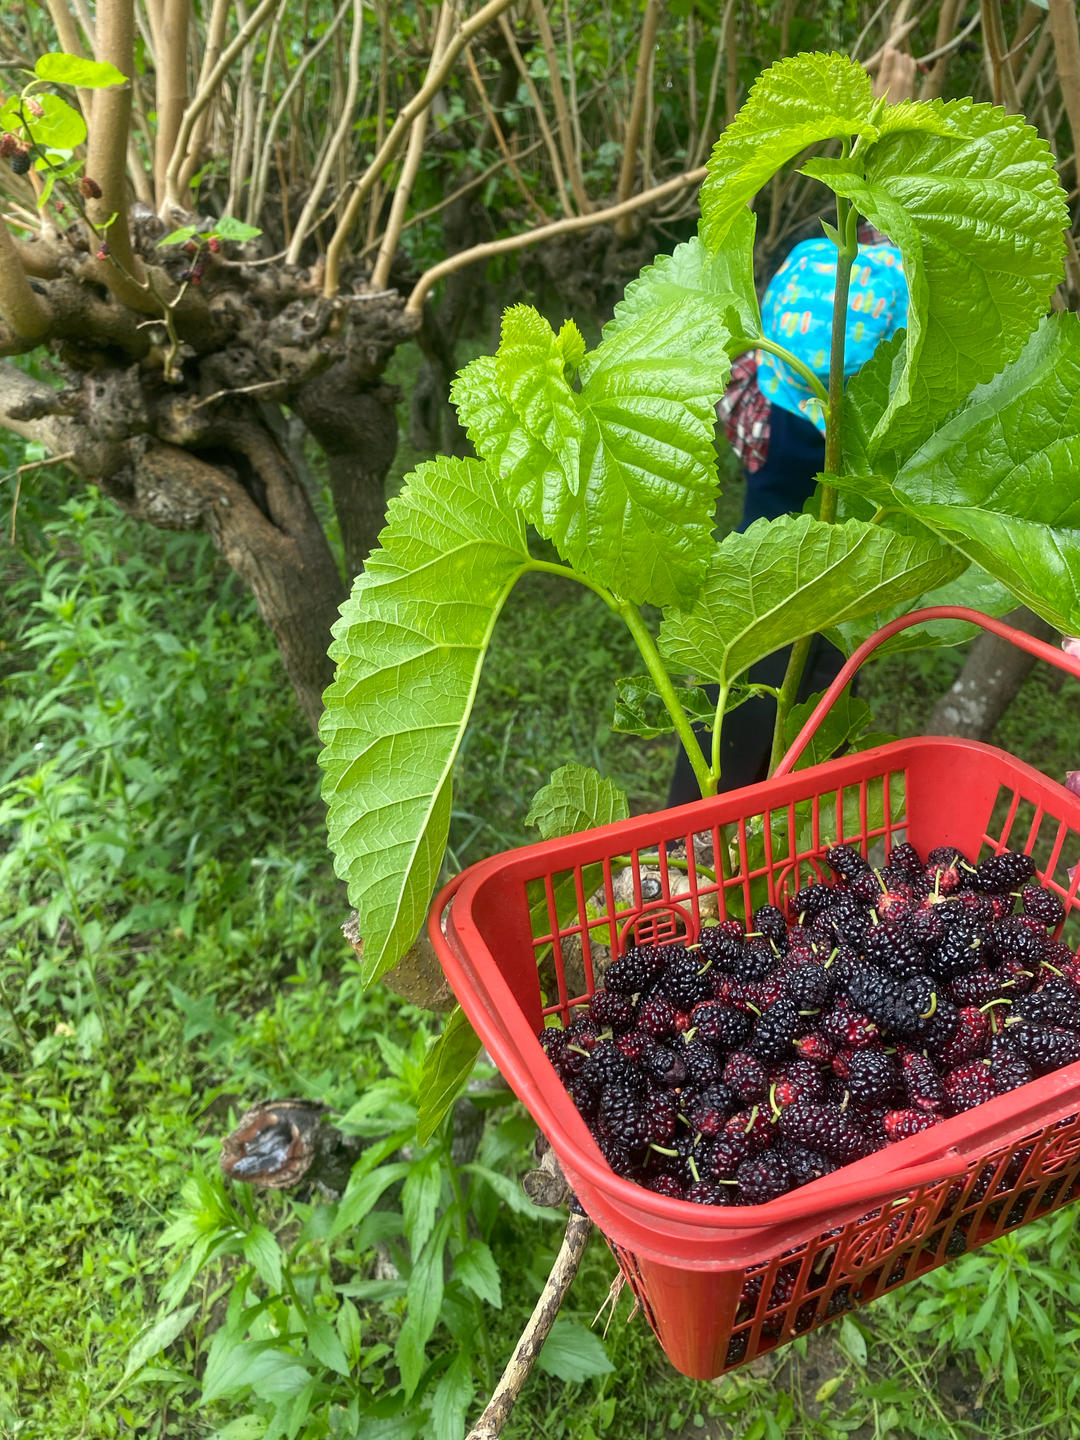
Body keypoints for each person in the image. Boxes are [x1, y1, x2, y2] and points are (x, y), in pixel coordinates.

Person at [667, 46, 916, 805]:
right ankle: (774, 790)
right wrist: (892, 113)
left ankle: (705, 810)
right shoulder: (907, 274)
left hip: (773, 439)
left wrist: (880, 110)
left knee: (756, 618)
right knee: (826, 627)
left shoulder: (809, 254)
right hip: (842, 457)